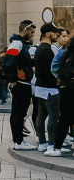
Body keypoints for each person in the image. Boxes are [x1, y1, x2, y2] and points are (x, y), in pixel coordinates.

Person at [9, 21, 37, 149]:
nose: (32, 35)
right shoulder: (18, 44)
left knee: (18, 113)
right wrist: (13, 79)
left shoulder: (20, 44)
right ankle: (19, 141)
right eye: (31, 33)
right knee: (19, 113)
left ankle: (18, 141)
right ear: (25, 31)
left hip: (22, 82)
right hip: (21, 84)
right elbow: (8, 62)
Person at [33, 23, 60, 151]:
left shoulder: (39, 48)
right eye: (55, 32)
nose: (57, 35)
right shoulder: (47, 50)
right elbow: (50, 71)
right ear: (48, 33)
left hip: (40, 87)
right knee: (53, 116)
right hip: (50, 88)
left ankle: (42, 143)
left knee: (41, 116)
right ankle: (51, 146)